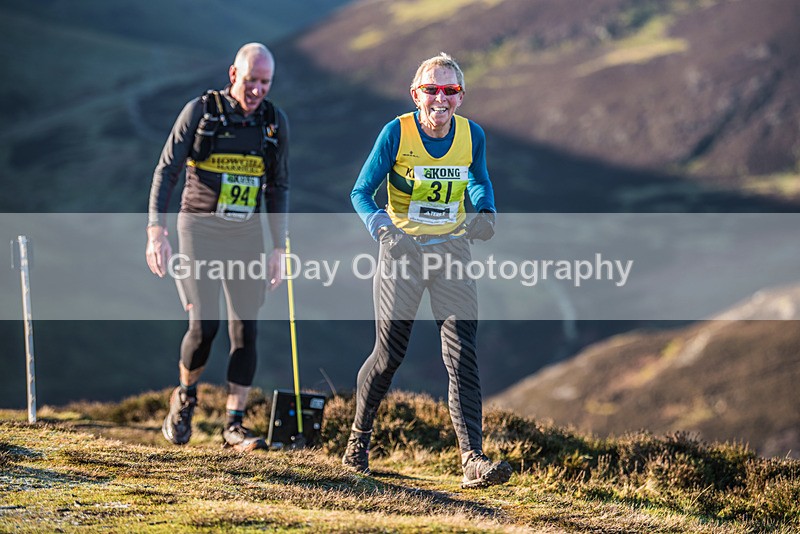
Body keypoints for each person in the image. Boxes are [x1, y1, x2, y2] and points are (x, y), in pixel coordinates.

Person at [344, 52, 511, 488]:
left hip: (452, 251)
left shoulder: (471, 134)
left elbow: (479, 178)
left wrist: (487, 212)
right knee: (388, 356)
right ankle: (359, 438)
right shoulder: (396, 133)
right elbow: (361, 192)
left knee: (462, 356)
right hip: (402, 252)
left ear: (460, 95)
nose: (441, 98)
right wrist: (383, 229)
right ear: (416, 94)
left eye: (450, 90)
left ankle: (472, 459)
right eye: (432, 90)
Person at [145, 43, 289, 452]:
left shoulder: (273, 123)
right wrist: (156, 230)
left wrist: (279, 247)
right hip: (199, 232)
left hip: (245, 236)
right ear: (233, 75)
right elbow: (167, 169)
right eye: (250, 80)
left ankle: (234, 426)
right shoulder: (201, 112)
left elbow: (278, 186)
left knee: (246, 331)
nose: (257, 89)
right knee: (204, 326)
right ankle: (186, 397)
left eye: (265, 82)